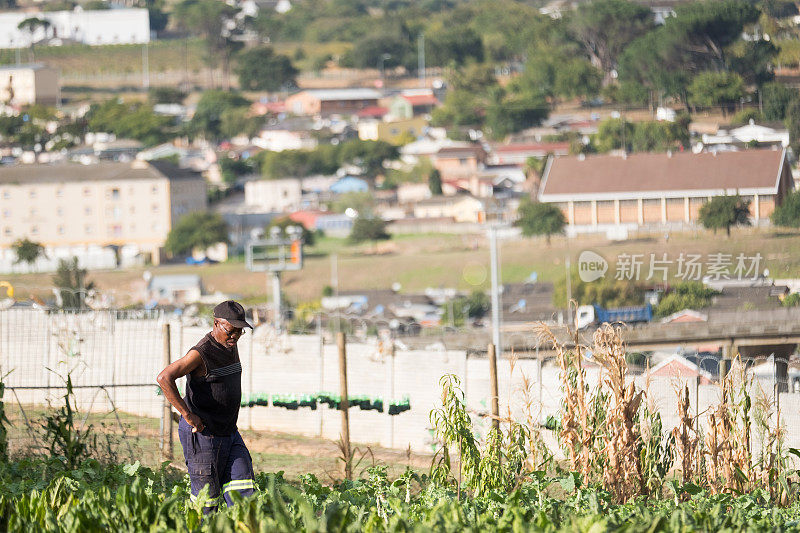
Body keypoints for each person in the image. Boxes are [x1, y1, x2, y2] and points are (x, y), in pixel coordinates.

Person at [156, 300, 255, 513]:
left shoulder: (230, 346)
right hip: (204, 435)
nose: (235, 336)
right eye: (231, 330)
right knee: (206, 506)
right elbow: (165, 377)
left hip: (229, 432)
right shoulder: (201, 353)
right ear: (216, 323)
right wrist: (187, 415)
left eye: (239, 332)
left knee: (245, 495)